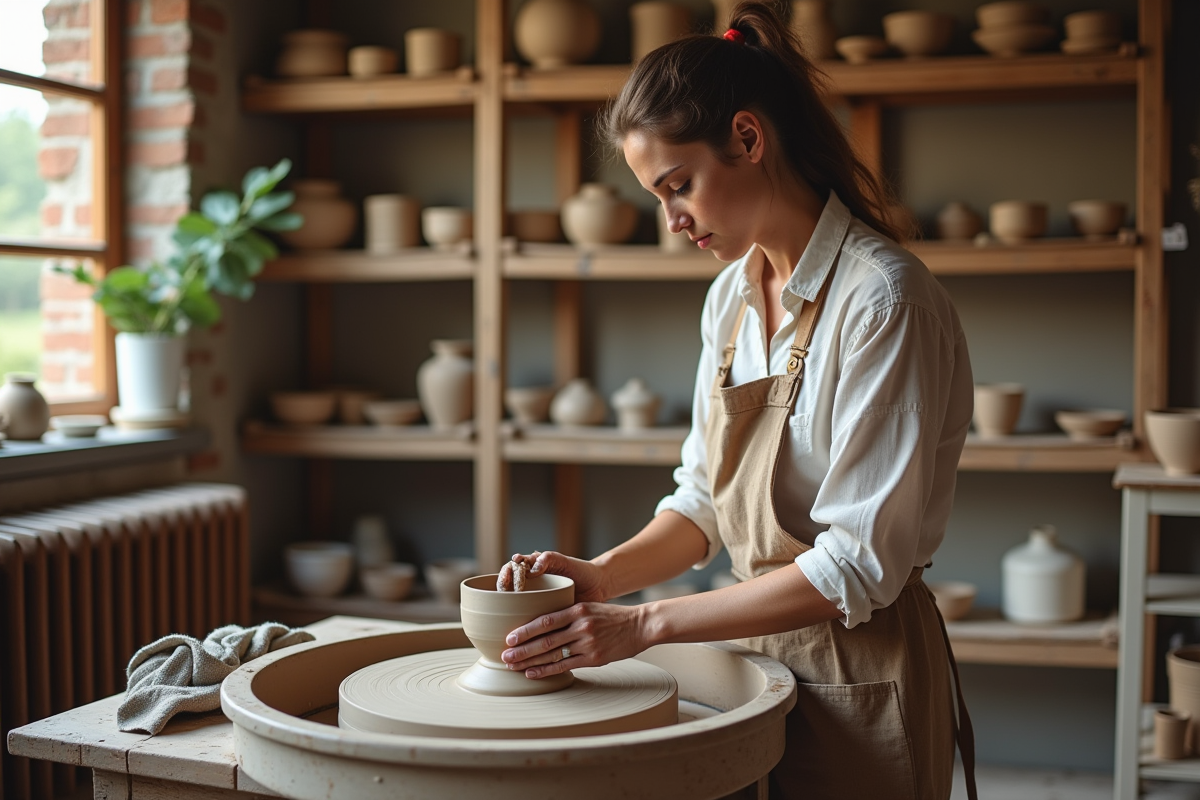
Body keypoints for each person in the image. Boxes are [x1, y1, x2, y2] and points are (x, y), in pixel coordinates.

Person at [498, 2, 977, 797]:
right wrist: (606, 578)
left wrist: (645, 624)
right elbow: (705, 505)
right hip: (753, 664)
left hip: (861, 667)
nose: (671, 219)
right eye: (656, 195)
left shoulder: (884, 302)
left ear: (748, 140)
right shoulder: (729, 298)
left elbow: (856, 566)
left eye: (678, 185)